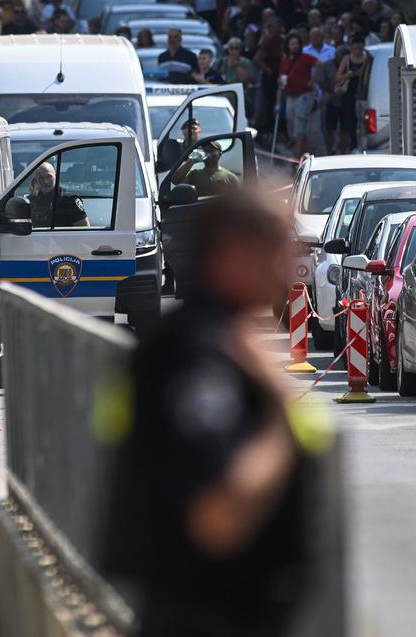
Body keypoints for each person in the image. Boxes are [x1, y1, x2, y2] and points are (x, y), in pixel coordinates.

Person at [106, 191, 316, 637]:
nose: (288, 267)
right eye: (278, 249)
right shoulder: (198, 350)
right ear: (233, 253)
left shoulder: (222, 340)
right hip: (206, 615)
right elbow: (217, 513)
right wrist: (280, 413)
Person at [277, 33, 317, 159]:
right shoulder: (284, 61)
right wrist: (277, 102)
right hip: (290, 96)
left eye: (297, 44)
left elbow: (320, 65)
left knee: (299, 126)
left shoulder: (306, 57)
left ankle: (297, 158)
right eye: (293, 44)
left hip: (304, 95)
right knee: (291, 126)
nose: (295, 46)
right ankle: (301, 152)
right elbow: (281, 81)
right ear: (288, 46)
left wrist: (313, 80)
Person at [331, 34, 369, 154]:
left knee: (365, 122)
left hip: (364, 93)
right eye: (355, 48)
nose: (358, 51)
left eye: (360, 48)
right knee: (351, 123)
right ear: (351, 48)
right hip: (349, 95)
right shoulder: (347, 59)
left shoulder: (368, 58)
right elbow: (337, 78)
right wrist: (350, 74)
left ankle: (364, 146)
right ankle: (352, 147)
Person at [25, 162, 88, 229]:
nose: (46, 181)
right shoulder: (30, 201)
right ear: (36, 180)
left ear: (56, 176)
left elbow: (84, 230)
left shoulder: (69, 200)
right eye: (41, 178)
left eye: (49, 176)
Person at [172, 140, 241, 197]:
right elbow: (175, 180)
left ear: (220, 154)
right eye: (205, 150)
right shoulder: (194, 174)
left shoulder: (231, 178)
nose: (207, 153)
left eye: (211, 150)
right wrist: (191, 161)